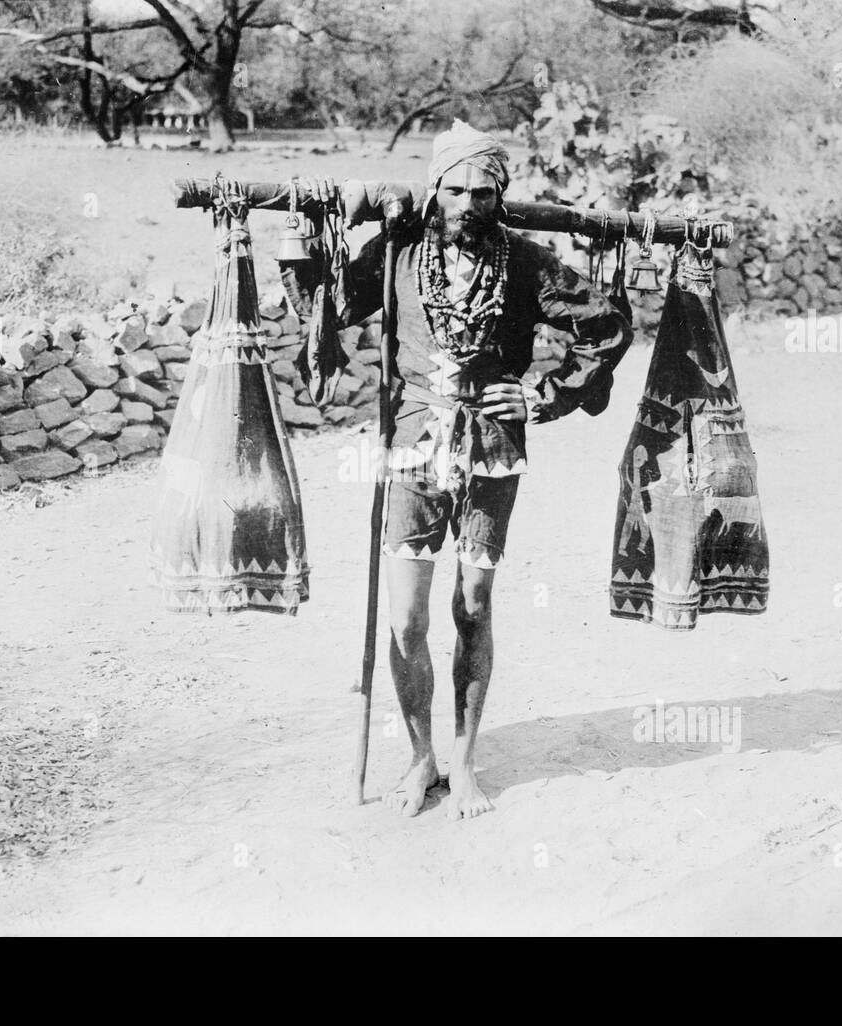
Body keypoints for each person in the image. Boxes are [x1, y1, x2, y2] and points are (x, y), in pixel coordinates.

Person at [288, 120, 633, 821]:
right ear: (434, 190)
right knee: (407, 618)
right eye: (454, 190)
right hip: (413, 444)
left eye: (482, 192)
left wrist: (545, 390)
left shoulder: (528, 262)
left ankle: (466, 762)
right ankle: (421, 760)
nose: (467, 204)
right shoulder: (400, 252)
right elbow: (335, 306)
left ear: (499, 196)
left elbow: (607, 324)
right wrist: (306, 238)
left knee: (471, 606)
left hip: (491, 448)